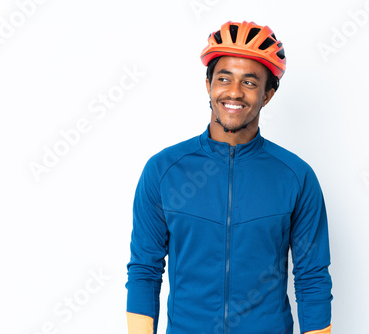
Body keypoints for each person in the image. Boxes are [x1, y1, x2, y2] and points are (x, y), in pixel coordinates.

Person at [125, 20, 333, 334]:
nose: (234, 92)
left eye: (250, 82)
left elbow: (312, 277)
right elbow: (145, 270)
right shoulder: (163, 170)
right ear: (208, 85)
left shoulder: (296, 177)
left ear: (267, 95)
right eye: (224, 78)